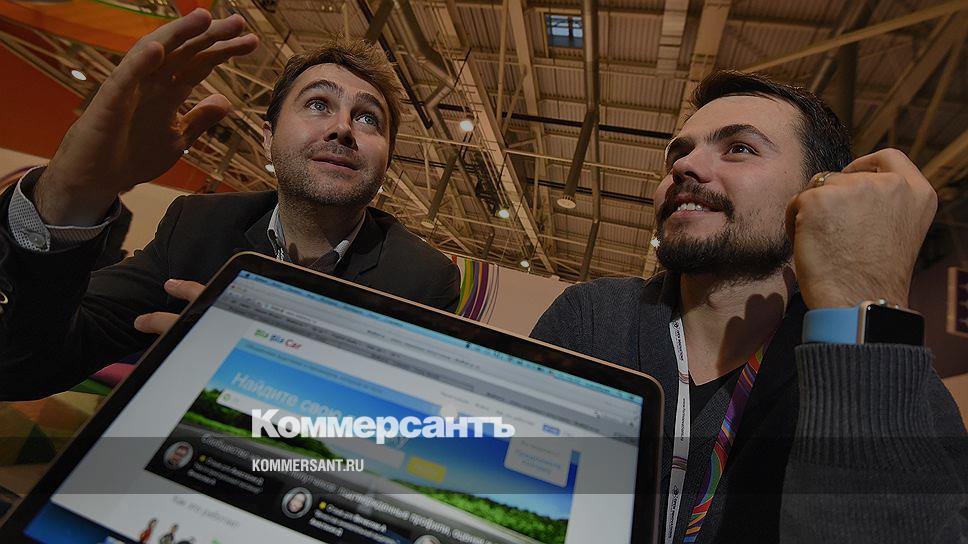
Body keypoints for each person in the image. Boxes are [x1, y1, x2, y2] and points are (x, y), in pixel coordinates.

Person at [531, 71, 967, 542]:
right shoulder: (594, 318)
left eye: (739, 148)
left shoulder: (891, 377)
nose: (684, 166)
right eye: (679, 153)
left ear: (816, 196)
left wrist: (862, 314)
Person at [0, 9, 460, 400]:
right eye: (318, 104)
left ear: (386, 160)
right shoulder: (199, 227)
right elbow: (24, 366)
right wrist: (68, 197)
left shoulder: (419, 281)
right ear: (267, 138)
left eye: (368, 118)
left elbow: (402, 439)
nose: (343, 127)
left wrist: (265, 367)